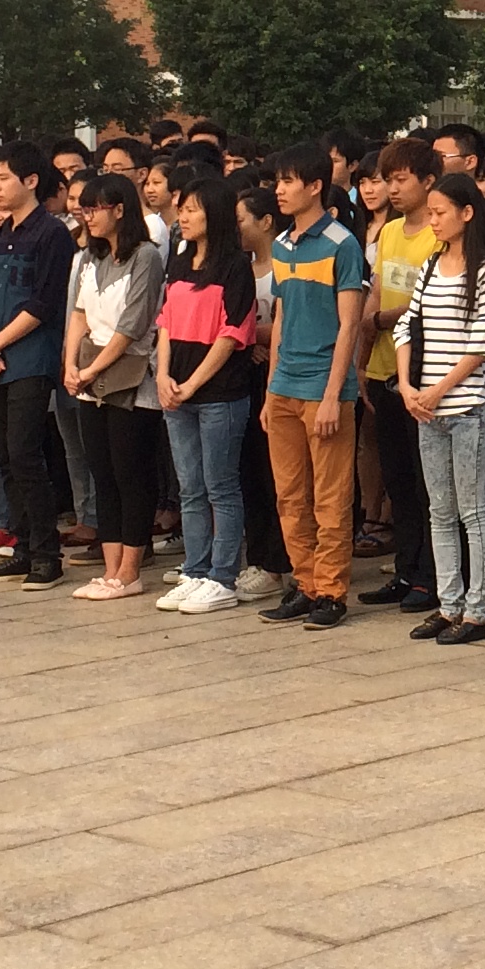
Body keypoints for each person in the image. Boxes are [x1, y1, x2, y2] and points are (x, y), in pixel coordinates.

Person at [398, 171, 485, 645]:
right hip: (428, 409)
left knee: (473, 511)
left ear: (467, 213)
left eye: (440, 212)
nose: (433, 220)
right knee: (440, 511)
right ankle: (448, 605)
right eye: (430, 213)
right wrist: (408, 386)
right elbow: (407, 326)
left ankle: (477, 611)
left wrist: (438, 389)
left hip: (468, 410)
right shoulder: (429, 266)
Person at [262, 145, 371, 627]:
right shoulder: (281, 245)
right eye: (277, 181)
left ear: (314, 186)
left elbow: (349, 325)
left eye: (288, 181)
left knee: (330, 496)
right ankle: (304, 584)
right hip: (284, 386)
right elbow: (281, 316)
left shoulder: (342, 244)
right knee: (289, 496)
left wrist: (333, 395)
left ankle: (330, 590)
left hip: (326, 388)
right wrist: (270, 390)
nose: (279, 190)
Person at [0, 145, 77, 590]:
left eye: (3, 178)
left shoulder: (52, 234)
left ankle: (47, 556)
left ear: (31, 181)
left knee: (25, 454)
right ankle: (22, 546)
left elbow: (44, 303)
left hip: (30, 359)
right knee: (3, 457)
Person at [154, 175, 260, 613]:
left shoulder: (235, 267)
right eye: (182, 208)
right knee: (190, 488)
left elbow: (232, 334)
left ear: (214, 213)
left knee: (221, 486)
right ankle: (195, 570)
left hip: (220, 393)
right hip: (175, 390)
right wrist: (163, 376)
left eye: (192, 209)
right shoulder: (179, 260)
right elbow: (165, 322)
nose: (183, 216)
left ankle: (222, 576)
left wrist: (193, 383)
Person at [64, 173, 165, 599]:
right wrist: (71, 364)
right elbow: (78, 314)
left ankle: (130, 570)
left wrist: (90, 370)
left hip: (132, 376)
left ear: (119, 209)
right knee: (102, 473)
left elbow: (132, 326)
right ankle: (109, 568)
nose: (86, 216)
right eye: (84, 209)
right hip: (90, 373)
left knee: (130, 473)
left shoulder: (146, 256)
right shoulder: (90, 257)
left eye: (94, 208)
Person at [361, 139, 446, 617]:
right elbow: (378, 290)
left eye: (400, 179)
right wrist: (362, 353)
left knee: (424, 482)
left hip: (423, 371)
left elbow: (426, 304)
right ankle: (405, 571)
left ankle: (431, 578)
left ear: (428, 181)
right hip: (383, 365)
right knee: (396, 479)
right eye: (386, 180)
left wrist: (378, 320)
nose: (391, 189)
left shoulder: (438, 232)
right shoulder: (390, 231)